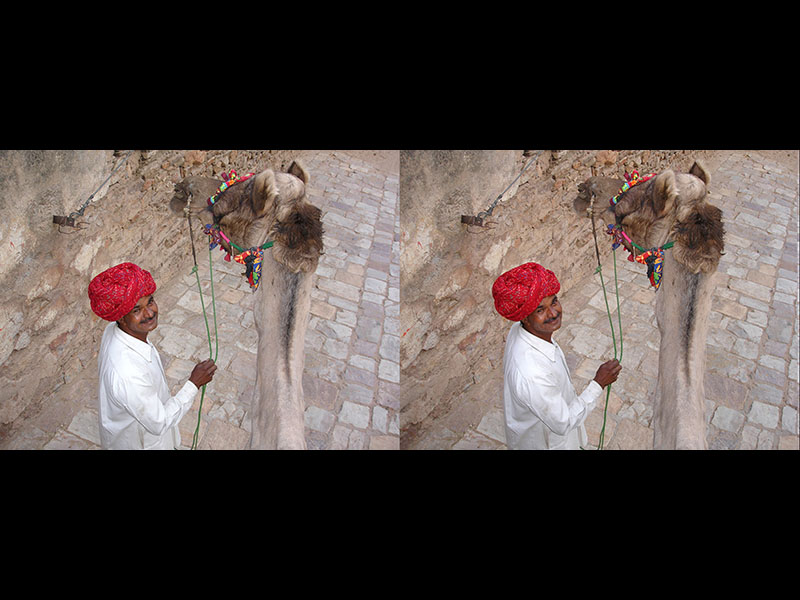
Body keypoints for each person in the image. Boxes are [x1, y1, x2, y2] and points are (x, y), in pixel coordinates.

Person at [492, 262, 621, 450]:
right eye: (540, 310)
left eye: (553, 301)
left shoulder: (521, 331)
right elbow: (563, 422)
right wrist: (598, 383)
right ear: (525, 317)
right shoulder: (532, 373)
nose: (553, 313)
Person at [88, 262, 217, 449]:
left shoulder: (114, 331)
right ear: (121, 317)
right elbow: (159, 422)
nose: (149, 313)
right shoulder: (127, 373)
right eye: (136, 310)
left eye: (150, 301)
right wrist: (194, 384)